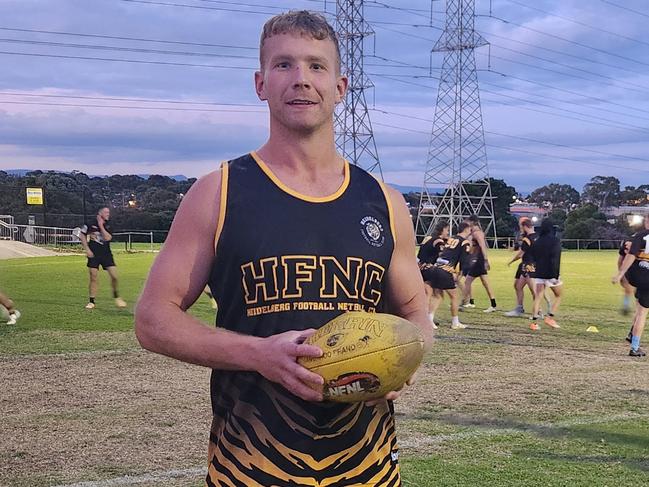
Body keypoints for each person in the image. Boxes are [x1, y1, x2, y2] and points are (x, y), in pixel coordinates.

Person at [134, 11, 433, 487]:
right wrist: (258, 354)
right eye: (283, 65)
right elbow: (153, 320)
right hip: (251, 465)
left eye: (316, 66)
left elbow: (417, 311)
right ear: (260, 83)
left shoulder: (385, 201)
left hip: (368, 467)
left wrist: (405, 357)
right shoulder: (219, 192)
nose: (301, 80)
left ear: (340, 87)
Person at [422, 222, 473, 330]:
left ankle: (429, 319)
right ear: (467, 230)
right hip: (445, 270)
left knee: (437, 296)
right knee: (455, 296)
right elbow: (465, 261)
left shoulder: (451, 238)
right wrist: (461, 274)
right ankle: (455, 322)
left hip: (435, 268)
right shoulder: (465, 242)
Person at [613, 213, 649, 357]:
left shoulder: (638, 236)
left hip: (636, 276)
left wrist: (620, 274)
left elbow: (629, 256)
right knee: (642, 313)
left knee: (640, 308)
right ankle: (634, 347)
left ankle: (632, 334)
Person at [79, 207, 127, 309]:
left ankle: (116, 296)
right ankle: (91, 301)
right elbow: (82, 234)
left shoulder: (109, 225)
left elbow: (107, 238)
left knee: (114, 277)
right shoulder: (89, 223)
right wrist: (87, 249)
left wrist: (101, 226)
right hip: (94, 254)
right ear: (100, 213)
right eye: (106, 212)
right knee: (93, 276)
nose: (108, 214)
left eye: (108, 212)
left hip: (106, 254)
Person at [529, 219, 562, 331]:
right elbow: (556, 258)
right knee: (558, 295)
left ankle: (534, 322)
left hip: (539, 272)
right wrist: (556, 274)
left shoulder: (537, 241)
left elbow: (533, 256)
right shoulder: (555, 241)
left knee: (538, 296)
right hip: (551, 272)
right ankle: (550, 317)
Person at [462, 215, 498, 313]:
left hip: (478, 260)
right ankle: (493, 304)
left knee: (468, 282)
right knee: (485, 282)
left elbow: (482, 246)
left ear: (472, 222)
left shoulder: (478, 233)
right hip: (477, 259)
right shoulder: (473, 233)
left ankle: (464, 302)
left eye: (468, 221)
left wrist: (485, 260)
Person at [418, 221, 449, 328]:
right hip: (429, 269)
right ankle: (429, 318)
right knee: (438, 295)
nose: (448, 232)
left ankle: (423, 318)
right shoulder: (439, 241)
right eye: (447, 230)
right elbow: (442, 257)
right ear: (443, 229)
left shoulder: (428, 238)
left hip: (420, 267)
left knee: (427, 294)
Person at [504, 218, 537, 317]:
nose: (520, 229)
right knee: (518, 286)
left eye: (521, 227)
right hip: (528, 264)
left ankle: (538, 311)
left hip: (528, 265)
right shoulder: (537, 236)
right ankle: (519, 308)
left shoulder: (527, 239)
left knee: (533, 289)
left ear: (525, 226)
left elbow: (520, 254)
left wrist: (511, 261)